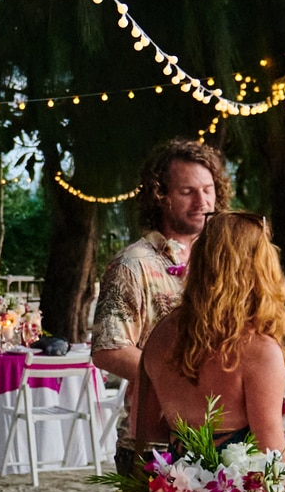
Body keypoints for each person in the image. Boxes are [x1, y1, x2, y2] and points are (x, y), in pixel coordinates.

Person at [91, 137, 230, 474]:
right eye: (188, 192)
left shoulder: (227, 260)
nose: (203, 201)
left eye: (208, 189)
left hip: (226, 442)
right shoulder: (132, 264)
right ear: (160, 195)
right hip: (156, 446)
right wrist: (187, 381)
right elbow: (108, 350)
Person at [132, 212, 285, 454]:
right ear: (260, 268)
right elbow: (273, 455)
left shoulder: (162, 332)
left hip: (178, 488)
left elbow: (142, 427)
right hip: (243, 491)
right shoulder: (259, 350)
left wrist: (193, 458)